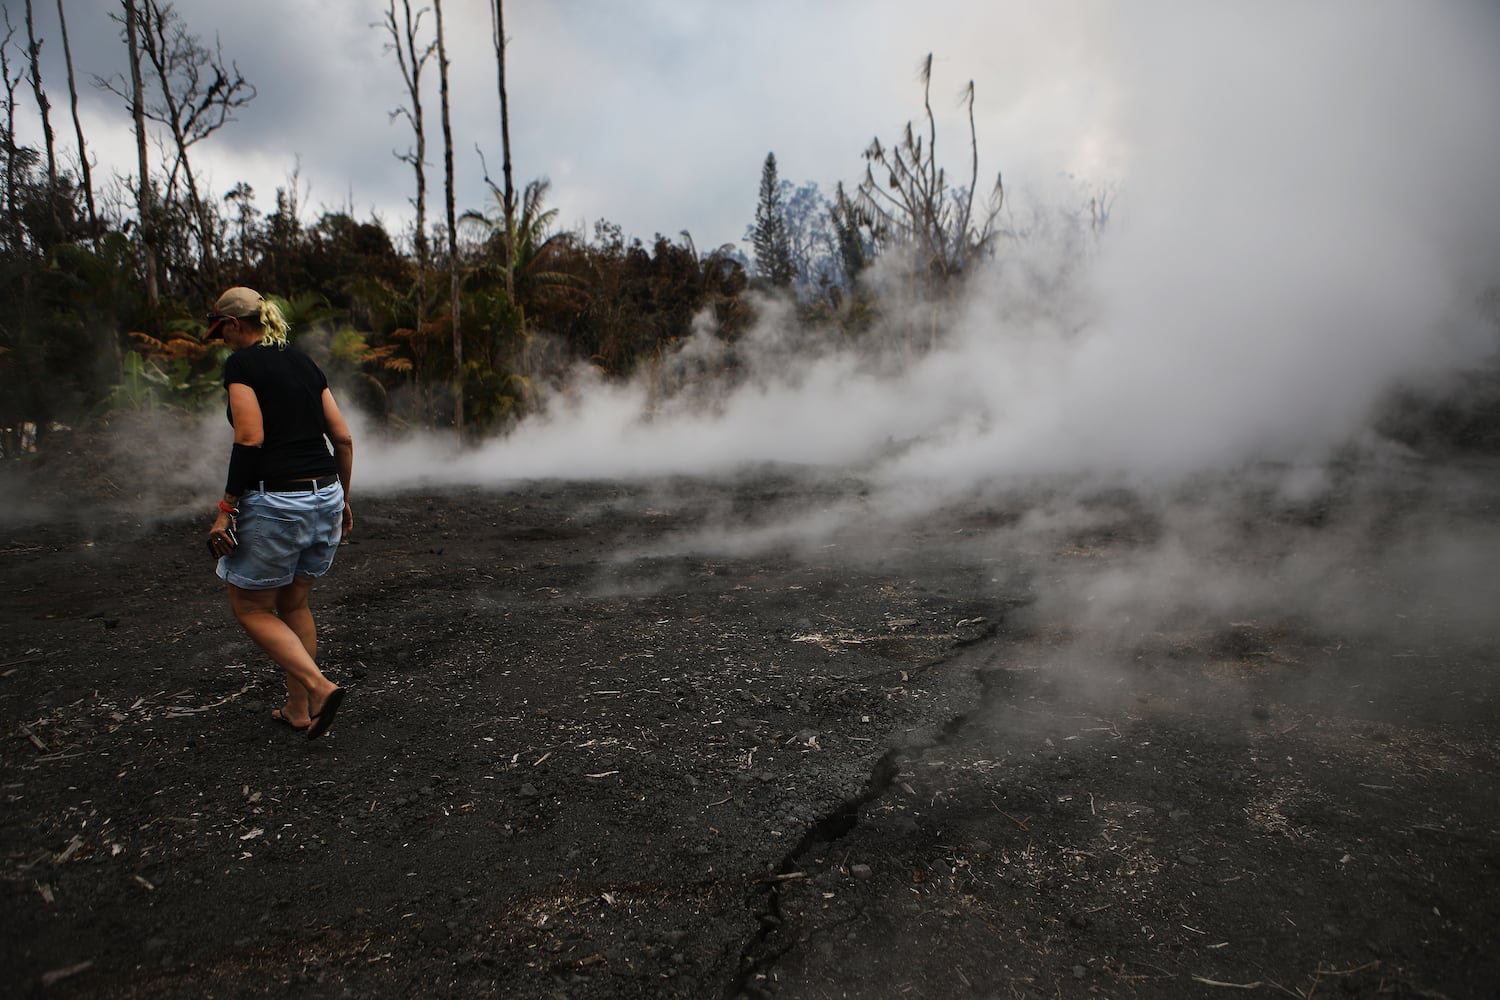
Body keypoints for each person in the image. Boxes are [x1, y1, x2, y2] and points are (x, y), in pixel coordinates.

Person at [205, 286, 354, 740]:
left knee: (250, 606)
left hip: (278, 502)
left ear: (235, 324)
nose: (223, 341)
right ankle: (297, 708)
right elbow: (343, 438)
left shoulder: (242, 364)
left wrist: (226, 509)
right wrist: (343, 498)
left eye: (222, 332)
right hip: (325, 493)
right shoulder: (304, 362)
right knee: (294, 601)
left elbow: (249, 438)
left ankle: (319, 687)